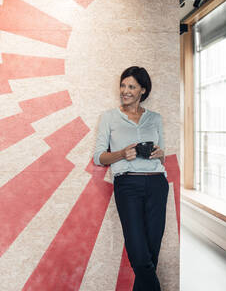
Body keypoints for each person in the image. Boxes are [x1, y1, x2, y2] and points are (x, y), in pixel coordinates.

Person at [93, 66, 168, 291]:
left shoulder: (155, 119)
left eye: (132, 87)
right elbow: (99, 157)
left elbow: (162, 154)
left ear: (142, 91)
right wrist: (121, 154)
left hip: (157, 183)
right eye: (123, 85)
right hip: (128, 185)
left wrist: (160, 153)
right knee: (138, 251)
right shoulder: (109, 117)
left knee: (152, 250)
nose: (125, 91)